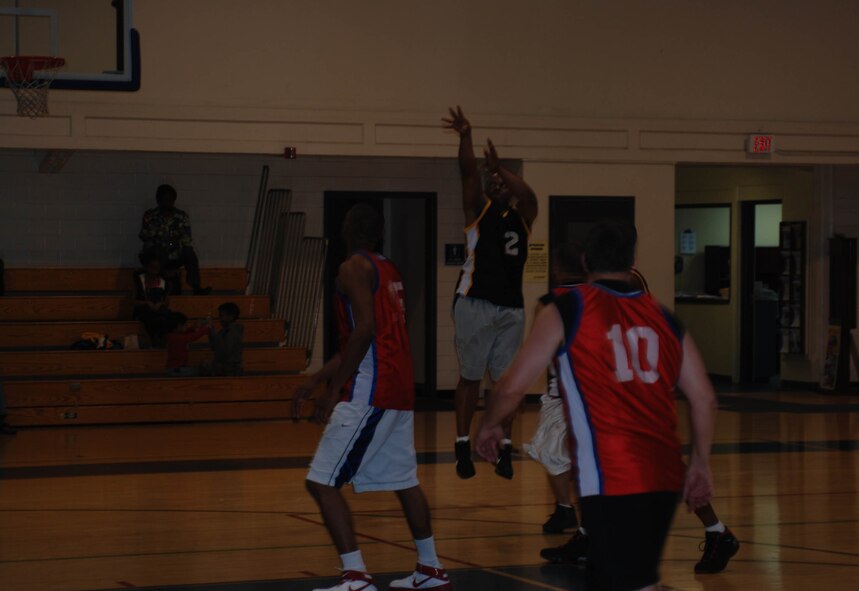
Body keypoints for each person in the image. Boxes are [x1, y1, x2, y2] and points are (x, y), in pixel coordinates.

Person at [476, 221, 717, 591]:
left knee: (620, 580)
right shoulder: (664, 316)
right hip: (664, 472)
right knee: (639, 579)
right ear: (633, 261)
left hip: (612, 475)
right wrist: (700, 463)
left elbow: (512, 386)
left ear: (586, 261)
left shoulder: (567, 308)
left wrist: (490, 424)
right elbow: (704, 399)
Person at [539, 266, 740, 574]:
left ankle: (717, 531)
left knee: (666, 473)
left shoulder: (622, 302)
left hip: (638, 403)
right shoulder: (608, 304)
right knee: (595, 469)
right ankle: (588, 535)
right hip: (621, 403)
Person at [292, 204, 451, 591]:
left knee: (321, 482)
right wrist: (318, 378)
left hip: (372, 389)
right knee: (404, 480)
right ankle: (430, 568)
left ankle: (356, 576)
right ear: (378, 233)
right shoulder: (388, 268)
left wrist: (333, 390)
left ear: (346, 228)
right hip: (398, 387)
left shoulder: (351, 268)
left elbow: (364, 331)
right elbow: (364, 337)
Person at [442, 106, 538, 480]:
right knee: (470, 377)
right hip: (475, 301)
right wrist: (466, 136)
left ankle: (504, 448)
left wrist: (501, 169)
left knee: (505, 385)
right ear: (485, 188)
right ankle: (462, 444)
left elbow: (528, 194)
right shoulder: (477, 210)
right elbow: (468, 172)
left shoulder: (523, 217)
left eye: (502, 182)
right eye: (493, 182)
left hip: (511, 308)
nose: (498, 185)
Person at [522, 243, 587, 534]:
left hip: (564, 388)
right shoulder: (599, 298)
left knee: (553, 452)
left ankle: (566, 509)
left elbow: (539, 351)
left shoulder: (549, 303)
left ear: (557, 269)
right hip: (598, 390)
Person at [139, 183, 212, 296]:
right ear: (159, 200)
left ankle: (196, 287)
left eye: (171, 199)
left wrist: (176, 244)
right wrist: (147, 225)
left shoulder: (181, 216)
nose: (169, 202)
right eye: (166, 199)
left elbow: (187, 240)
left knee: (189, 252)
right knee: (156, 251)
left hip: (175, 254)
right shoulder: (151, 216)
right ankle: (161, 284)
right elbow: (145, 238)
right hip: (158, 257)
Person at [133, 253, 172, 348]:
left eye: (156, 268)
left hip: (159, 310)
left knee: (163, 316)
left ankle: (161, 342)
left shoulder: (164, 280)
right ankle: (154, 341)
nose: (154, 271)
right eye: (152, 267)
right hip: (143, 309)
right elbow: (133, 301)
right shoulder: (139, 279)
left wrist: (160, 304)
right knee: (152, 316)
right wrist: (147, 303)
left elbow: (167, 301)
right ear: (147, 266)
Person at [201, 302, 245, 376]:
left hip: (231, 368)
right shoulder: (224, 331)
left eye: (222, 316)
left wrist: (212, 331)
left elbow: (224, 352)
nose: (220, 319)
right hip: (226, 366)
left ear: (231, 317)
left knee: (205, 365)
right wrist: (211, 331)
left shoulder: (232, 331)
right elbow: (214, 347)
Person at [165, 312, 211, 376]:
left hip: (176, 369)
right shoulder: (176, 338)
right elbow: (192, 336)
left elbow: (185, 333)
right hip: (176, 370)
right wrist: (206, 328)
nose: (186, 325)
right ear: (178, 325)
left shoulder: (173, 335)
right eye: (185, 324)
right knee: (203, 370)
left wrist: (194, 326)